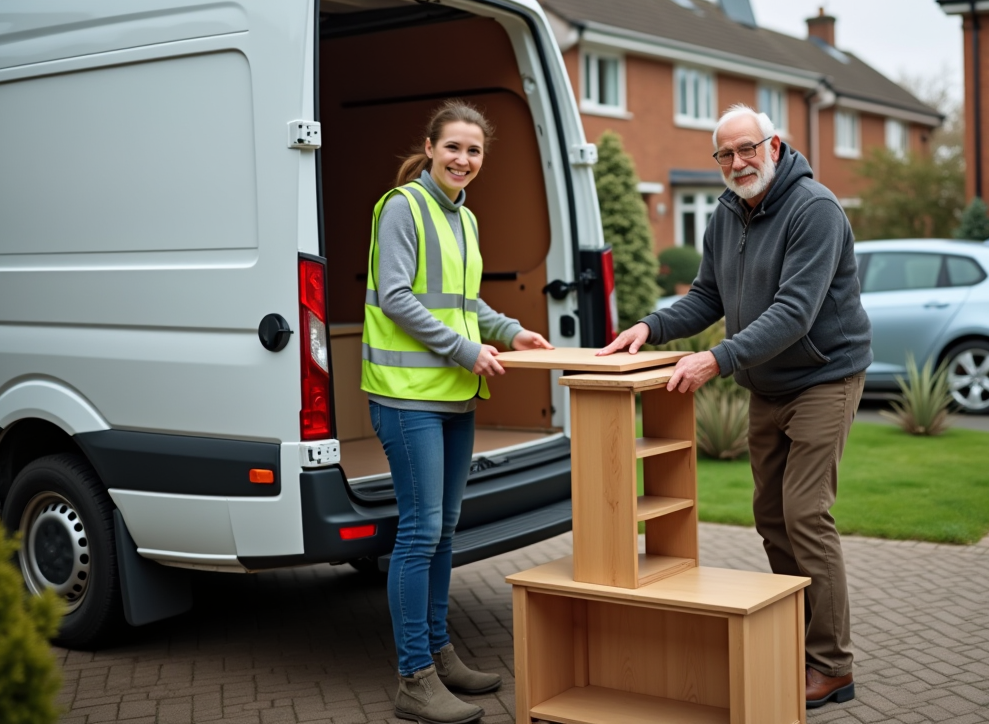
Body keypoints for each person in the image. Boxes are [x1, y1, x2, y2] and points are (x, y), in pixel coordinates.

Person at [599, 103, 871, 709]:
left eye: (747, 148)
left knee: (804, 513)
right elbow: (706, 296)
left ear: (774, 145)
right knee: (770, 515)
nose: (737, 162)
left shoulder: (815, 209)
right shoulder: (726, 214)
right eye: (725, 153)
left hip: (825, 376)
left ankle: (832, 665)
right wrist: (650, 327)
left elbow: (794, 312)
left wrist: (716, 360)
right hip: (767, 383)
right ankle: (795, 641)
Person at [362, 100, 553, 724]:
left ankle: (440, 655)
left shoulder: (464, 218)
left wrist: (513, 330)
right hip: (407, 396)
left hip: (453, 396)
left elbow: (463, 302)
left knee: (444, 530)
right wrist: (467, 350)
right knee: (419, 532)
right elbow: (395, 298)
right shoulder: (403, 208)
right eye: (454, 148)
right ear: (430, 146)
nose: (464, 160)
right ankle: (413, 679)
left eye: (474, 151)